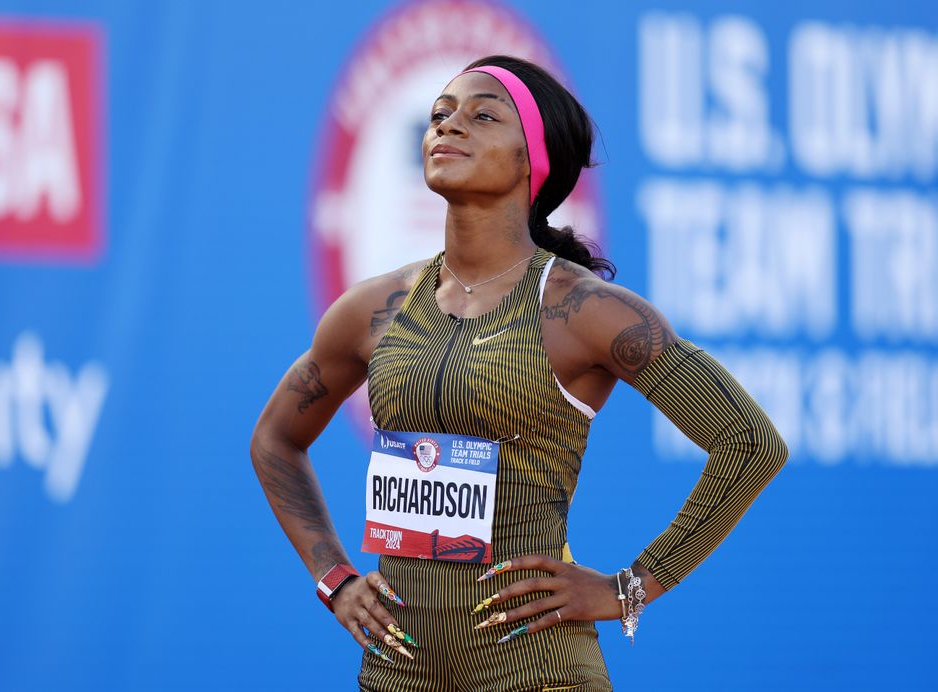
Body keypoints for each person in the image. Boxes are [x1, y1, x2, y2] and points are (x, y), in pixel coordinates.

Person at [250, 55, 787, 691]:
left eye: (482, 116)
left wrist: (632, 588)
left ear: (535, 158)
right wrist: (334, 578)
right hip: (398, 669)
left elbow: (750, 443)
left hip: (533, 669)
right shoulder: (373, 309)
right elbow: (276, 441)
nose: (448, 128)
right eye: (439, 116)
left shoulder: (583, 310)